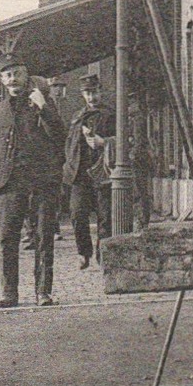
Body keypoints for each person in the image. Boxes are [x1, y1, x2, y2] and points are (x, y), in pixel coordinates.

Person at [0, 55, 65, 307]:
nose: (13, 79)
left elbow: (60, 136)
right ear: (2, 80)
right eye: (8, 75)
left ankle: (43, 292)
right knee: (8, 237)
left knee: (43, 236)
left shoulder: (43, 102)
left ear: (26, 75)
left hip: (41, 181)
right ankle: (9, 293)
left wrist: (44, 107)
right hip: (10, 183)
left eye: (17, 73)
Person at [62, 73, 114, 269]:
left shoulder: (111, 115)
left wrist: (103, 143)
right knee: (77, 214)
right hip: (80, 175)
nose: (92, 97)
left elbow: (124, 141)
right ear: (82, 94)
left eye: (95, 92)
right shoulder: (77, 116)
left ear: (100, 91)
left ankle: (103, 255)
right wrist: (68, 165)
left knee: (105, 217)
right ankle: (83, 252)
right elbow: (69, 143)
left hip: (102, 173)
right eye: (88, 93)